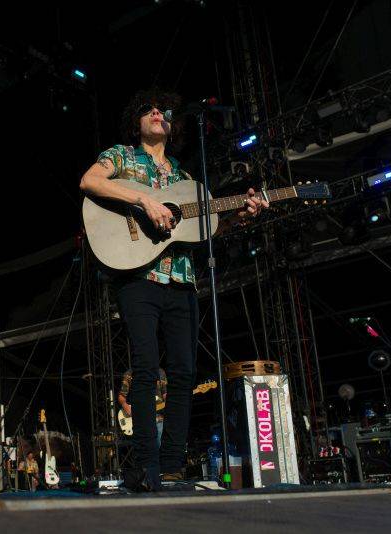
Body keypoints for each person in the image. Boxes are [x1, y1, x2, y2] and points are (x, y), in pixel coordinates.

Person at [79, 88, 268, 491]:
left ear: (172, 123)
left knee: (183, 373)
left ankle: (171, 466)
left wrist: (240, 216)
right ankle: (146, 465)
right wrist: (144, 200)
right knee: (146, 368)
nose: (156, 113)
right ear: (137, 121)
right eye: (147, 109)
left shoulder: (185, 179)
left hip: (181, 279)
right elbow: (89, 181)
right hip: (139, 278)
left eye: (162, 110)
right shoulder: (122, 156)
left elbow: (205, 232)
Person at [118, 368, 167, 448]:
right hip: (140, 421)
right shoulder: (130, 373)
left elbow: (165, 394)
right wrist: (127, 407)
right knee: (145, 451)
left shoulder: (160, 372)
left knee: (161, 449)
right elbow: (122, 396)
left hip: (158, 419)